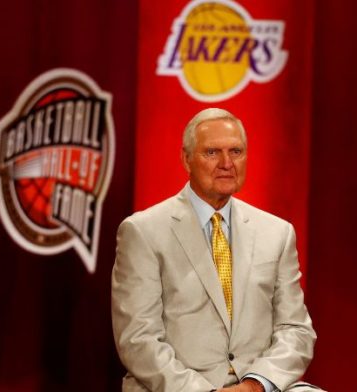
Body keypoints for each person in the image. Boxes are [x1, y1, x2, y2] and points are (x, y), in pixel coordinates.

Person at [111, 108, 321, 392]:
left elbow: (296, 330)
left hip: (255, 387)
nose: (226, 163)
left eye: (236, 151)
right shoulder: (143, 232)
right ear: (186, 159)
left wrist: (254, 385)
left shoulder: (277, 233)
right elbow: (138, 339)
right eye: (212, 153)